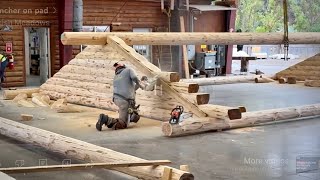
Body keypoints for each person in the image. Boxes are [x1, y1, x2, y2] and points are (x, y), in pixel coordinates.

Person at [96, 62, 145, 131]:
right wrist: (142, 85)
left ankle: (123, 118)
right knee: (123, 124)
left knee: (128, 114)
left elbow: (132, 88)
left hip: (117, 99)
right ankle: (105, 119)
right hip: (125, 101)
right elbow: (134, 77)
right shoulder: (129, 70)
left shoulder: (116, 77)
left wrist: (140, 82)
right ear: (124, 66)